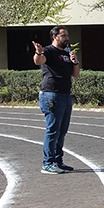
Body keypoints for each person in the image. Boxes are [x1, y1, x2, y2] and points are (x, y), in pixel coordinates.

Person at [32, 26, 80, 174]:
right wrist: (38, 52)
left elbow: (76, 75)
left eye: (67, 35)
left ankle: (58, 161)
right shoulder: (48, 51)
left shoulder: (66, 53)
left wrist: (75, 62)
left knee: (62, 131)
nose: (67, 38)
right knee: (53, 130)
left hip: (65, 95)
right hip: (51, 95)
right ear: (54, 37)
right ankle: (47, 163)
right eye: (63, 35)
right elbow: (39, 61)